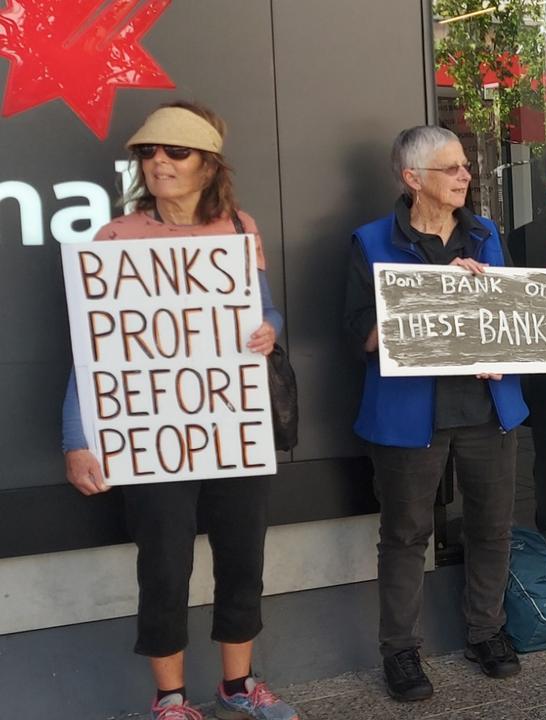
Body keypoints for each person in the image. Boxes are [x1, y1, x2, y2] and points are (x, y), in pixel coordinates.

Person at [61, 102, 298, 720]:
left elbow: (267, 311)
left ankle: (238, 684)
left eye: (175, 152)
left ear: (207, 164)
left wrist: (268, 330)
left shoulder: (239, 228)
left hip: (231, 426)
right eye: (149, 153)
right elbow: (93, 352)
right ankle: (169, 698)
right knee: (163, 562)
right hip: (153, 434)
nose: (159, 162)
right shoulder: (115, 238)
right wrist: (76, 438)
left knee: (243, 555)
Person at [342, 126, 528, 700]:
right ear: (411, 178)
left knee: (492, 526)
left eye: (466, 166)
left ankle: (486, 631)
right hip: (407, 415)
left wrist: (509, 342)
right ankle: (400, 651)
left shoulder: (485, 233)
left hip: (486, 406)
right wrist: (432, 293)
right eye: (451, 168)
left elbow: (513, 312)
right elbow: (360, 337)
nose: (465, 176)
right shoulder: (371, 241)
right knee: (404, 534)